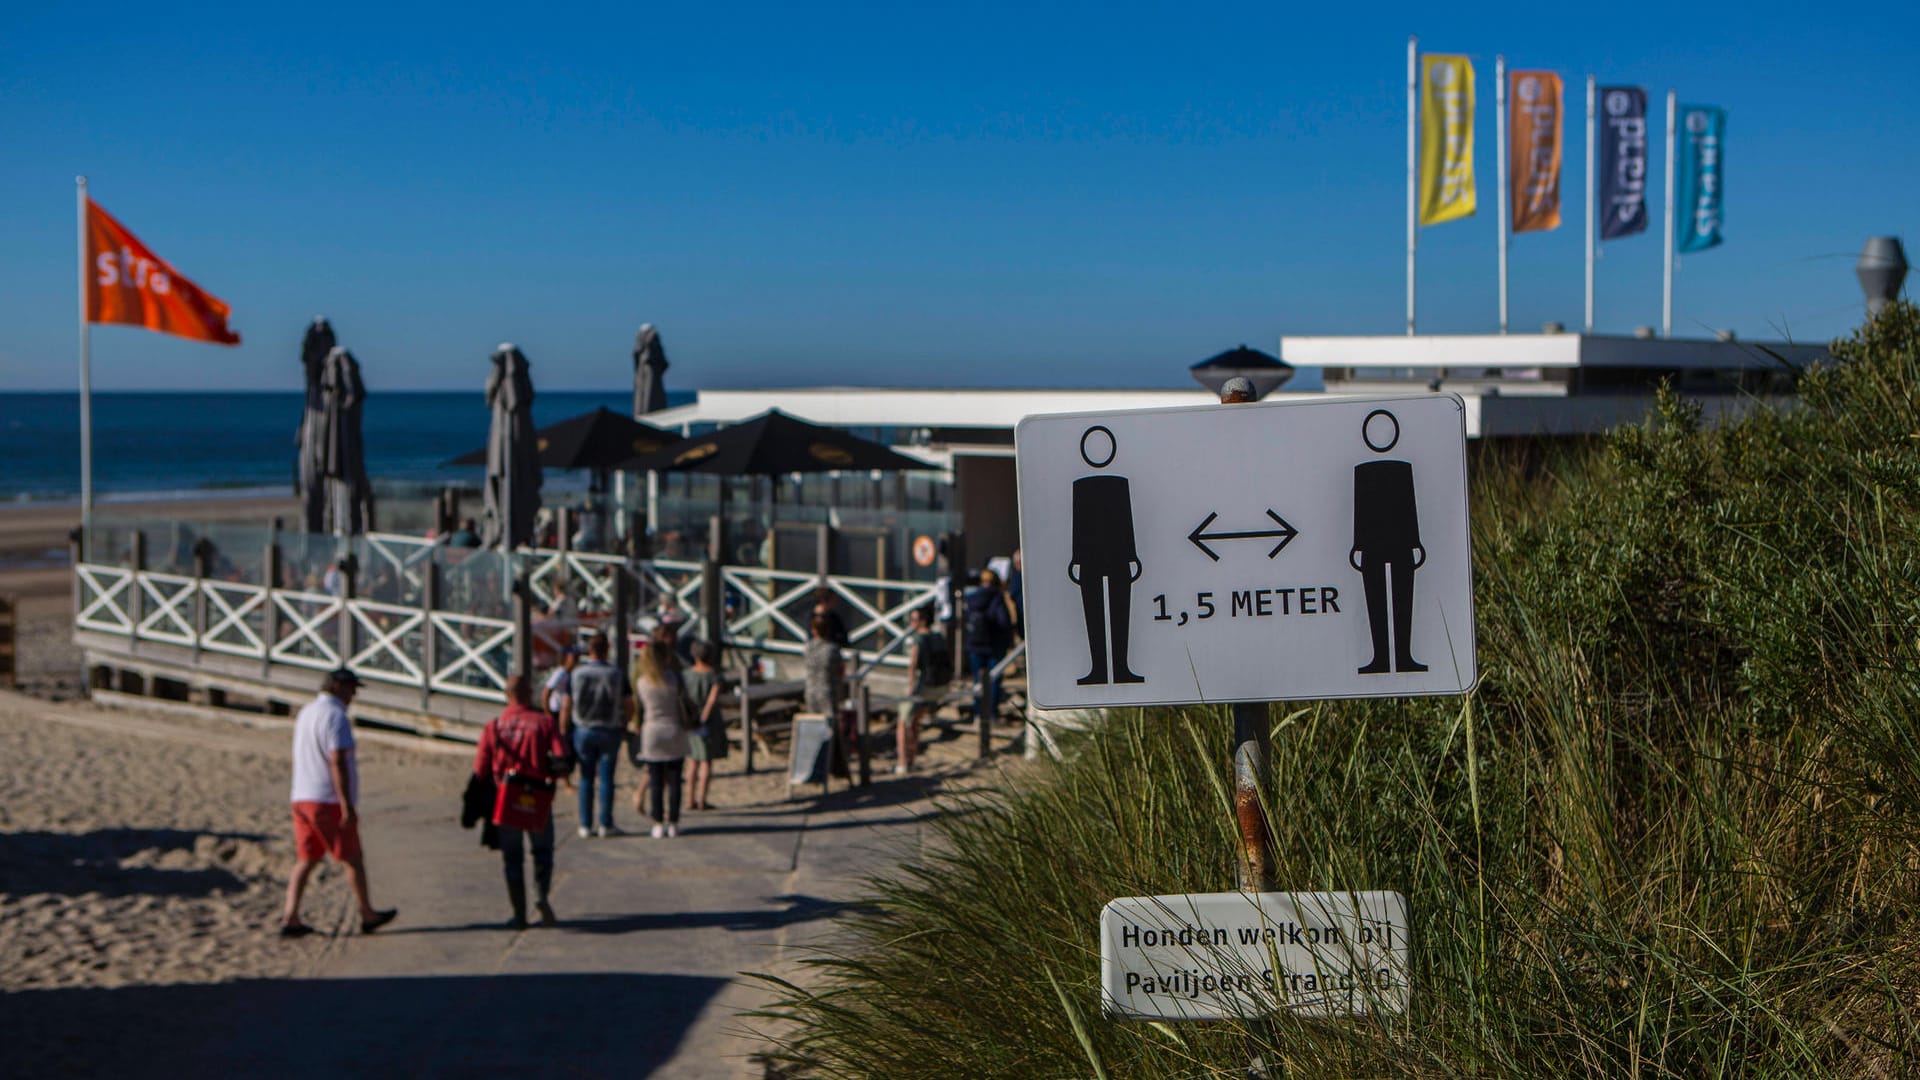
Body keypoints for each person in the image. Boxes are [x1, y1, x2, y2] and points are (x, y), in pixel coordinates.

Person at [280, 668, 397, 937]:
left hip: (301, 794)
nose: (353, 694)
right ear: (337, 687)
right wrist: (347, 804)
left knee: (307, 859)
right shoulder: (336, 717)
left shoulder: (306, 712)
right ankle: (367, 913)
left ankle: (291, 915)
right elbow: (338, 762)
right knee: (352, 858)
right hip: (326, 798)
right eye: (351, 688)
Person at [473, 673, 568, 929]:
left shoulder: (494, 726)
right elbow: (562, 758)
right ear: (529, 694)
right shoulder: (545, 723)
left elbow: (480, 769)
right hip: (537, 795)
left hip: (507, 797)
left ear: (507, 695)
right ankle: (541, 894)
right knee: (543, 851)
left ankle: (519, 914)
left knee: (512, 857)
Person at [569, 632, 634, 838]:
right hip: (609, 727)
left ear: (589, 650)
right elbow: (628, 703)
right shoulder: (616, 673)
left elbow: (567, 701)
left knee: (586, 777)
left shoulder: (578, 673)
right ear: (607, 649)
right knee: (606, 778)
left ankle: (585, 824)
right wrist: (625, 722)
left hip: (583, 727)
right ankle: (606, 822)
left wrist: (564, 728)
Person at [630, 626, 691, 837]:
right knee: (675, 780)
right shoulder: (673, 679)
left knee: (656, 781)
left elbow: (638, 708)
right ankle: (673, 821)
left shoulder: (642, 682)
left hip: (652, 730)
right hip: (673, 728)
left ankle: (657, 822)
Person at [899, 606, 948, 774]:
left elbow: (913, 665)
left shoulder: (918, 639)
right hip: (938, 687)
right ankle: (911, 759)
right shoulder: (938, 636)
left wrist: (910, 687)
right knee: (916, 720)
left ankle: (903, 762)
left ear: (922, 621)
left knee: (903, 721)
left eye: (913, 620)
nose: (911, 624)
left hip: (923, 685)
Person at [963, 569, 1016, 725]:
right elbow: (1003, 622)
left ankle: (978, 715)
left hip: (974, 645)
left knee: (978, 682)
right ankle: (991, 715)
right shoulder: (997, 598)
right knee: (993, 681)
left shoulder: (972, 598)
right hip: (994, 646)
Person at [683, 640, 726, 810]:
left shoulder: (686, 675)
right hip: (709, 721)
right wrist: (705, 717)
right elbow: (712, 699)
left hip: (689, 718)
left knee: (692, 761)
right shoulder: (714, 675)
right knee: (706, 761)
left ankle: (689, 799)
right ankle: (702, 799)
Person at [544, 645, 580, 735]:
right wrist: (547, 712)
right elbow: (547, 691)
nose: (576, 660)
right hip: (557, 711)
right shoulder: (560, 673)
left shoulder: (571, 673)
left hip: (566, 711)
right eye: (573, 657)